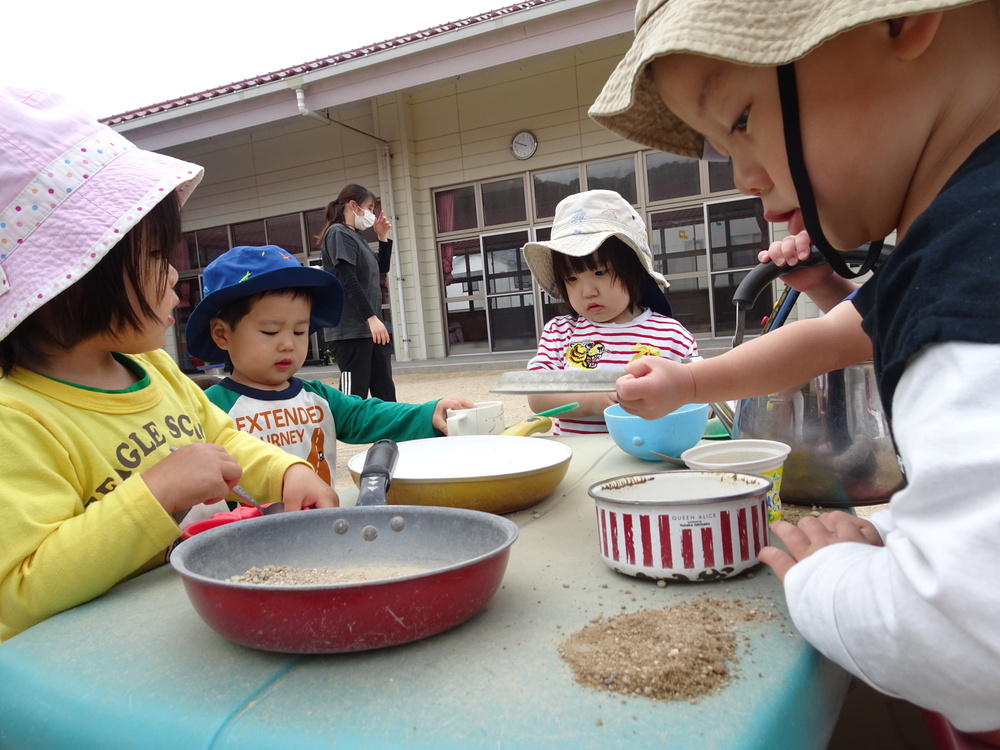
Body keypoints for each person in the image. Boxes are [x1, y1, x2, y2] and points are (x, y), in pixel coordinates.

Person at [589, 0, 1000, 740]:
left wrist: (830, 579)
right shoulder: (959, 237)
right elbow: (832, 336)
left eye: (741, 119)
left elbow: (969, 638)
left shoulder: (975, 268)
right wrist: (686, 384)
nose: (744, 174)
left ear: (901, 20)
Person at [0, 88, 338, 643]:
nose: (175, 280)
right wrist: (156, 493)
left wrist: (286, 471)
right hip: (96, 665)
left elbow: (225, 441)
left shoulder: (155, 370)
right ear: (75, 277)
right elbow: (19, 590)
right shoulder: (20, 417)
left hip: (184, 628)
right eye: (157, 258)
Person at [184, 245, 474, 485]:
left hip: (320, 529)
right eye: (270, 331)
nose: (288, 344)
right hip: (249, 540)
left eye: (299, 331)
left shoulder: (317, 398)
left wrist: (428, 413)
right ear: (222, 334)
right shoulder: (209, 409)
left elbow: (367, 413)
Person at [521, 190, 698, 435]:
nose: (587, 291)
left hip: (651, 454)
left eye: (600, 272)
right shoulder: (560, 332)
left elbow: (700, 398)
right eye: (572, 278)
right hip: (579, 457)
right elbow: (537, 398)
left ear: (634, 271)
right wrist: (593, 401)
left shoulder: (670, 334)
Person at [318, 184, 396, 401]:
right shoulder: (337, 233)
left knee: (385, 390)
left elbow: (381, 269)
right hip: (351, 330)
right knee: (354, 395)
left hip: (372, 327)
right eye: (369, 207)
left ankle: (391, 433)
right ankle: (353, 433)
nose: (372, 214)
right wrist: (371, 317)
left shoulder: (357, 236)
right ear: (353, 205)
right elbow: (348, 279)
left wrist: (382, 237)